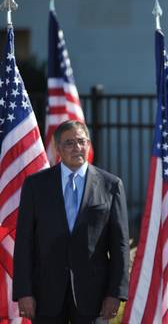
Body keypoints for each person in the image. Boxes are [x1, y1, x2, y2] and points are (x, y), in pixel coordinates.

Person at [13, 120, 130, 323]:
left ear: (89, 144)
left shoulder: (111, 185)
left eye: (81, 141)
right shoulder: (35, 185)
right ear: (58, 148)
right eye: (69, 143)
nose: (77, 147)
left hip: (94, 297)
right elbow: (24, 243)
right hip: (45, 294)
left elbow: (120, 245)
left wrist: (115, 293)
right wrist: (24, 292)